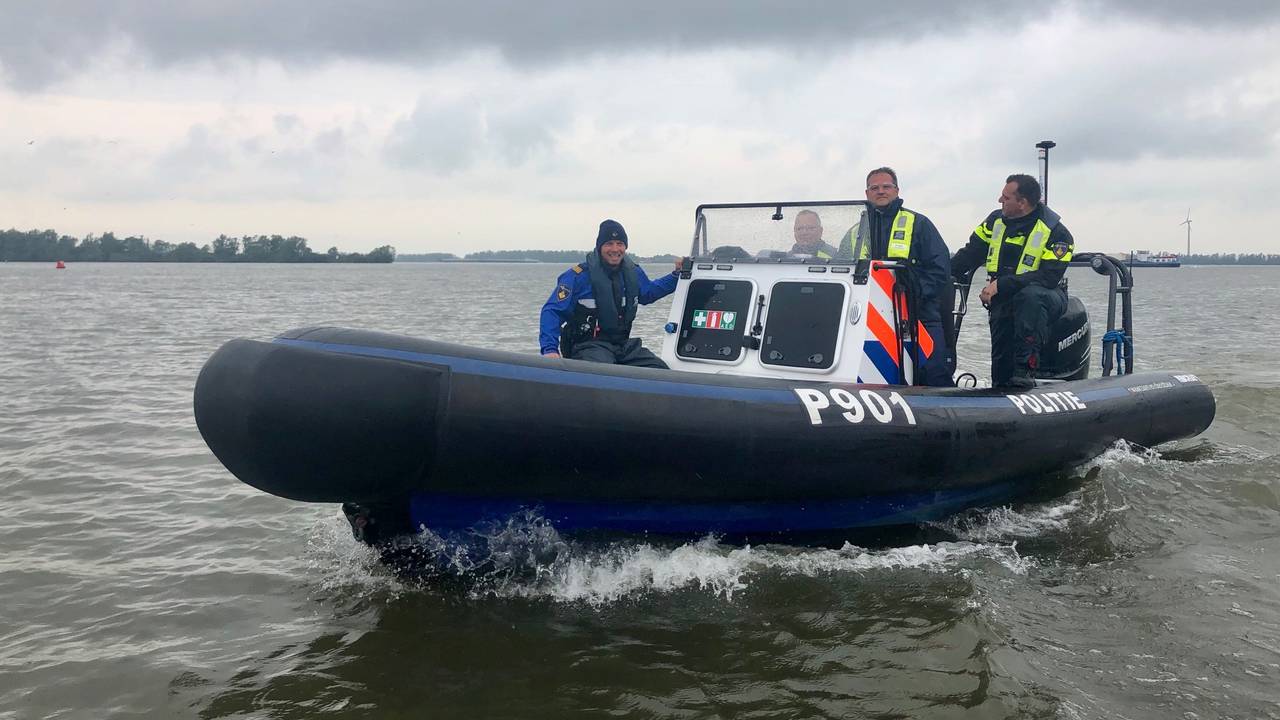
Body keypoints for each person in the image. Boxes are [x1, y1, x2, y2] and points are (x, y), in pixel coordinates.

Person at [951, 174, 1074, 388]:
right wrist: (939, 273)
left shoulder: (1058, 233)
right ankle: (1001, 387)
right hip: (1004, 297)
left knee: (1030, 297)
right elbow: (970, 254)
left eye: (1006, 198)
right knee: (1001, 364)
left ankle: (1025, 372)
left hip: (1045, 297)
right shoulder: (994, 221)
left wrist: (1000, 284)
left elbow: (1048, 276)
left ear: (1022, 203)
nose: (1000, 200)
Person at [852, 167, 954, 387]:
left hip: (918, 311)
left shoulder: (919, 224)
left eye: (886, 186)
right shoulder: (855, 231)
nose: (880, 191)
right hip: (868, 317)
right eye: (874, 187)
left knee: (934, 368)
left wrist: (914, 294)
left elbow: (940, 269)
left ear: (896, 190)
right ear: (867, 193)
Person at [539, 219, 682, 368]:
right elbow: (552, 311)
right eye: (609, 244)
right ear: (600, 247)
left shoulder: (633, 273)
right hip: (588, 346)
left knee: (659, 369)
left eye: (620, 244)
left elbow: (649, 293)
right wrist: (549, 350)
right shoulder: (577, 277)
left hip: (623, 346)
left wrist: (676, 276)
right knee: (605, 372)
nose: (615, 249)